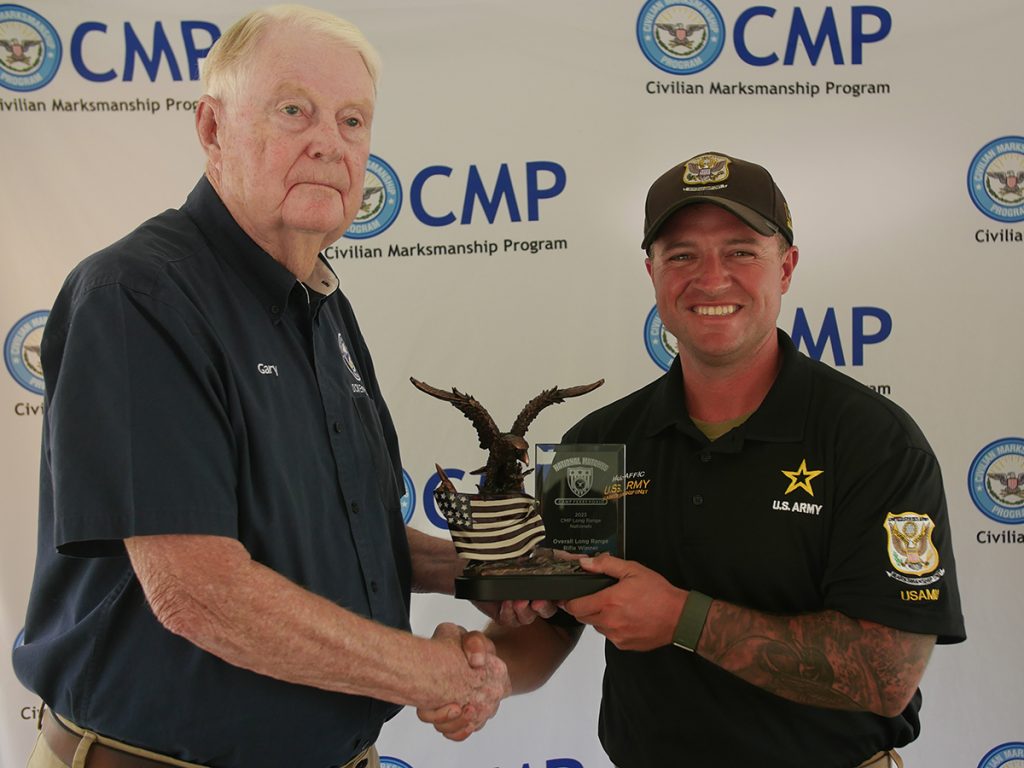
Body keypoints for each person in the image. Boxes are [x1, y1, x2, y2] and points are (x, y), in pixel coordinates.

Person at [12, 6, 507, 768]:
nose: (329, 143)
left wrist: (479, 569)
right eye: (293, 111)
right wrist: (429, 672)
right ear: (213, 129)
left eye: (352, 121)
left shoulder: (323, 305)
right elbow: (199, 591)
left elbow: (330, 530)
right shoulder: (139, 295)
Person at [421, 151, 966, 768]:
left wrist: (683, 619)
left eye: (741, 251)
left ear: (785, 268)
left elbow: (887, 674)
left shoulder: (874, 443)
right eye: (681, 255)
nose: (711, 279)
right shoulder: (599, 444)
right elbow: (550, 623)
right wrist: (487, 671)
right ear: (652, 272)